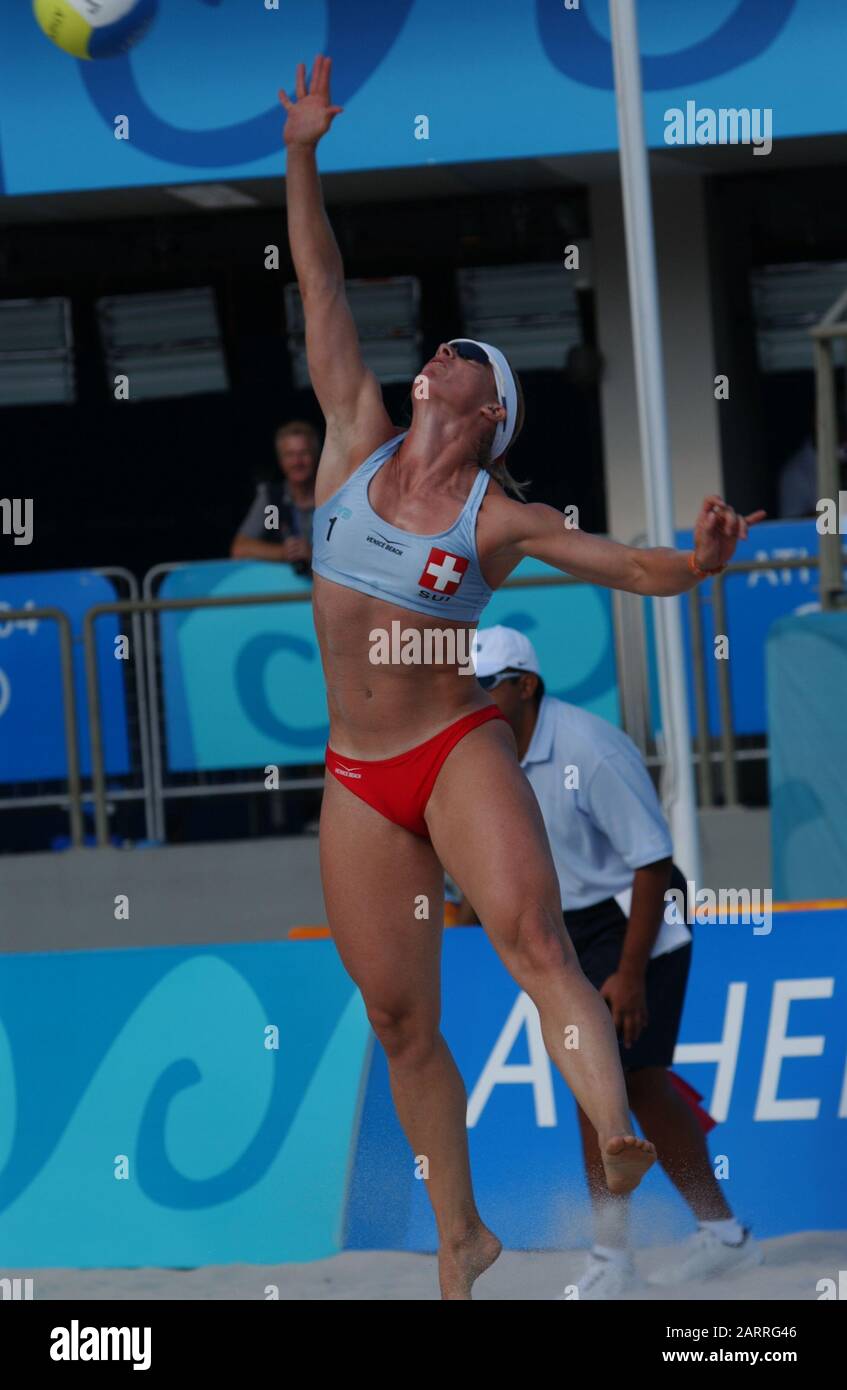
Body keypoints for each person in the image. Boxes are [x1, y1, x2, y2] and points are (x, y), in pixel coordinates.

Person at [280, 53, 765, 1300]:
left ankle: (611, 1128)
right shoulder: (351, 436)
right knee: (400, 1023)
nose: (429, 356)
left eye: (456, 355)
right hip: (353, 772)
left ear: (490, 406)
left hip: (451, 749)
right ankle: (464, 1238)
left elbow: (629, 569)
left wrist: (698, 564)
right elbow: (321, 282)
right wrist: (300, 154)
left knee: (537, 940)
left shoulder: (500, 515)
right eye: (433, 351)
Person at [454, 625, 761, 1298]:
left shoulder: (587, 748)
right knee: (633, 1086)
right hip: (566, 926)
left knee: (605, 1087)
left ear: (524, 686)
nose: (467, 699)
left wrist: (629, 973)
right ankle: (722, 1234)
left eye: (482, 686)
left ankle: (612, 1255)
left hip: (636, 915)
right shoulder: (482, 752)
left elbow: (653, 865)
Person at [231, 420, 318, 570]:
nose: (297, 462)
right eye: (290, 455)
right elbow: (240, 548)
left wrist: (315, 554)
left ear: (316, 456)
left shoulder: (333, 496)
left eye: (303, 453)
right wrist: (283, 552)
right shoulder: (272, 500)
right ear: (280, 460)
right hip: (284, 589)